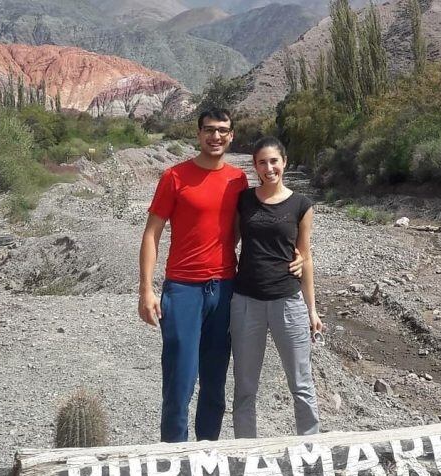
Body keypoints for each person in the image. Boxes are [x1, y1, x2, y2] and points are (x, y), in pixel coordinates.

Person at [138, 109, 301, 443]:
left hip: (226, 289)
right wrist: (146, 290)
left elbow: (255, 227)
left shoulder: (237, 180)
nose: (215, 136)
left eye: (222, 131)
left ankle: (207, 453)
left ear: (231, 135)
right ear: (198, 134)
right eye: (209, 130)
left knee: (214, 383)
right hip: (183, 288)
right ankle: (175, 457)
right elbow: (152, 232)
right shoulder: (174, 176)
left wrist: (296, 254)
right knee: (180, 381)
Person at [231, 136, 323, 439]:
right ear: (255, 166)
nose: (269, 167)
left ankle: (310, 449)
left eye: (274, 161)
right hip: (246, 302)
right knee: (245, 387)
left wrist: (312, 311)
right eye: (262, 162)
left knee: (301, 384)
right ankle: (246, 452)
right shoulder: (244, 200)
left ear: (284, 162)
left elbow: (304, 257)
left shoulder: (301, 204)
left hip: (288, 301)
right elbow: (228, 243)